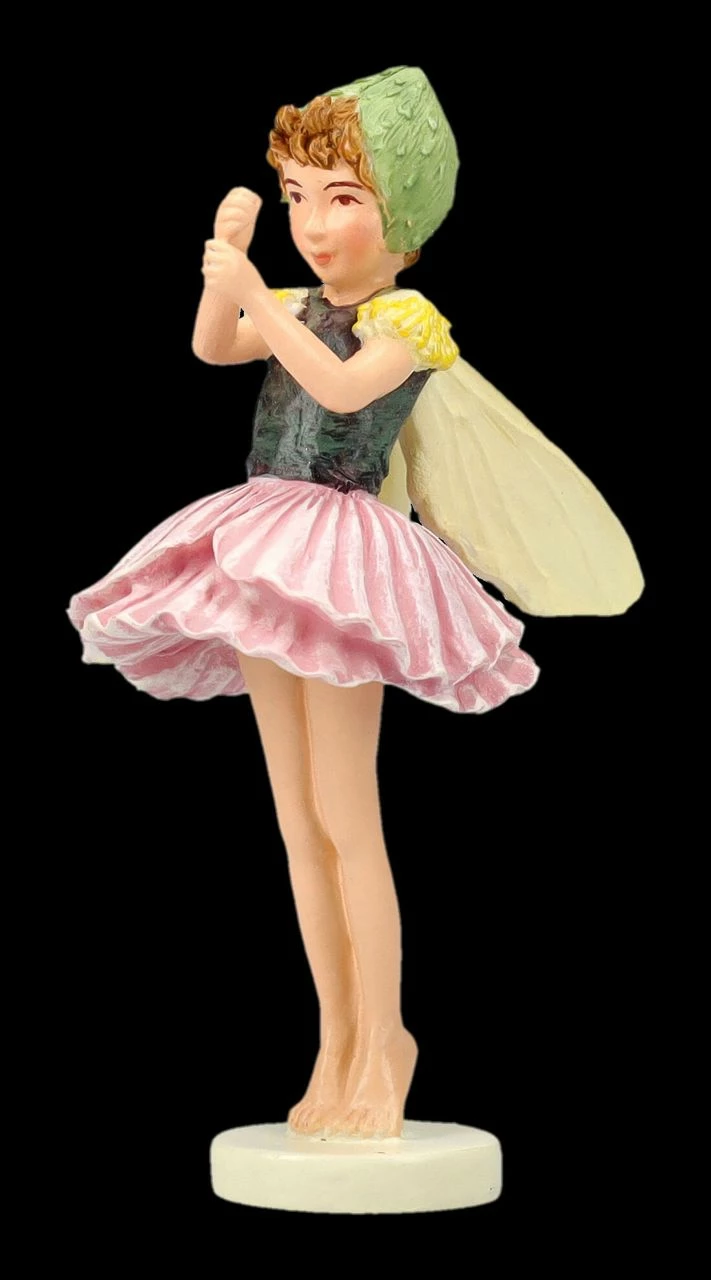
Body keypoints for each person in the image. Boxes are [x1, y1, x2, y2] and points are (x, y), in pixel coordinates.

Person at [66, 67, 643, 1139]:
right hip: (263, 541)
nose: (314, 224)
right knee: (295, 822)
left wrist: (252, 289)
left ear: (403, 215)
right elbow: (211, 347)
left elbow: (338, 389)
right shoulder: (290, 301)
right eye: (299, 196)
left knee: (346, 814)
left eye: (343, 199)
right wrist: (226, 274)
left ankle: (386, 1039)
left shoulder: (408, 318)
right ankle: (333, 1041)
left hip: (340, 556)